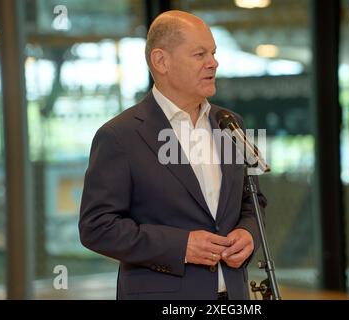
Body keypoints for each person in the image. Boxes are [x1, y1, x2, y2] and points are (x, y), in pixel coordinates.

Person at [79, 10, 267, 300]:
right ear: (161, 61)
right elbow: (97, 227)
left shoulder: (230, 123)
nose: (213, 63)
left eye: (214, 53)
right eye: (200, 54)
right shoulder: (120, 136)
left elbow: (253, 201)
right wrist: (181, 246)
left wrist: (248, 233)